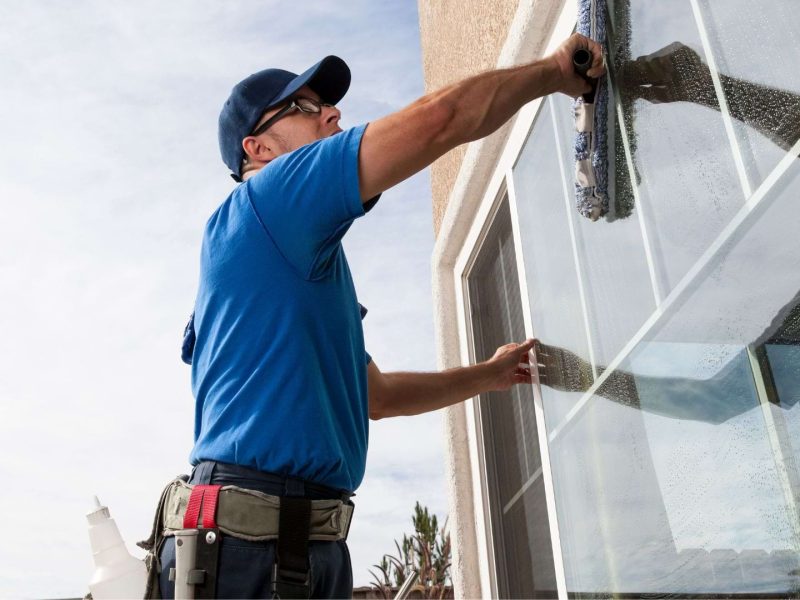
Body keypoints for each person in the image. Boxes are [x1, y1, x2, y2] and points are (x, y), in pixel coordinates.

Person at [155, 33, 604, 599]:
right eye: (305, 108)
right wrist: (556, 72)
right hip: (252, 546)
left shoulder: (293, 267)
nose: (332, 114)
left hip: (292, 542)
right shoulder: (268, 201)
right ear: (259, 149)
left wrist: (488, 376)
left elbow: (377, 396)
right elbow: (441, 119)